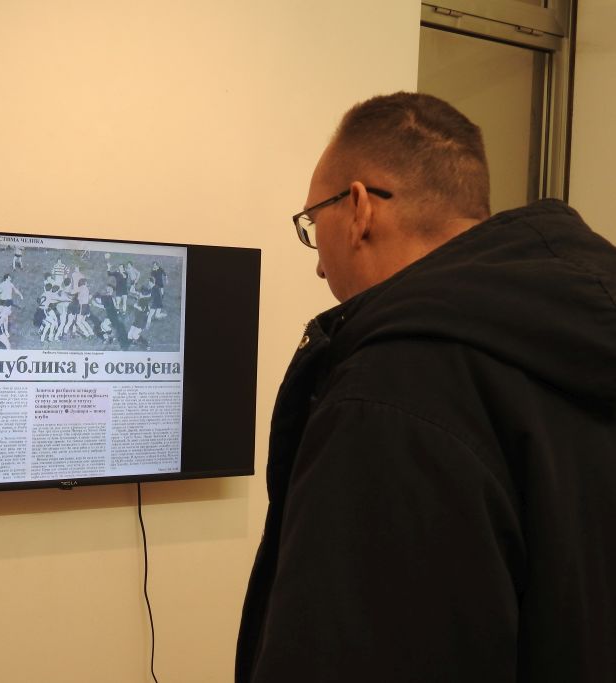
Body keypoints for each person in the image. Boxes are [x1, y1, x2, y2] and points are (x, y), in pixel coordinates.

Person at [236, 92, 616, 682]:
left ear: (359, 209)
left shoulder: (391, 394)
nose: (318, 264)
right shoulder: (579, 334)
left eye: (313, 222)